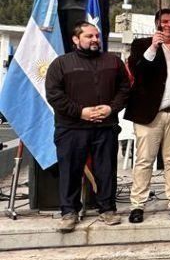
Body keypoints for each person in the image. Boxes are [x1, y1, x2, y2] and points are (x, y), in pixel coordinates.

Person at [46, 22, 130, 231]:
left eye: (97, 36)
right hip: (71, 128)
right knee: (70, 171)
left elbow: (125, 89)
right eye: (89, 36)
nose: (95, 40)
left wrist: (111, 109)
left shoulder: (113, 62)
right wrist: (80, 112)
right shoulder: (61, 64)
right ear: (76, 40)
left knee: (106, 169)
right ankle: (69, 212)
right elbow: (54, 95)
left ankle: (107, 209)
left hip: (105, 127)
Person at [125, 8, 170, 223]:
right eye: (164, 21)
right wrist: (153, 47)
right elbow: (137, 72)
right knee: (144, 161)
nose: (168, 25)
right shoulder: (142, 46)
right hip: (150, 115)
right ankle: (138, 204)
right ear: (157, 23)